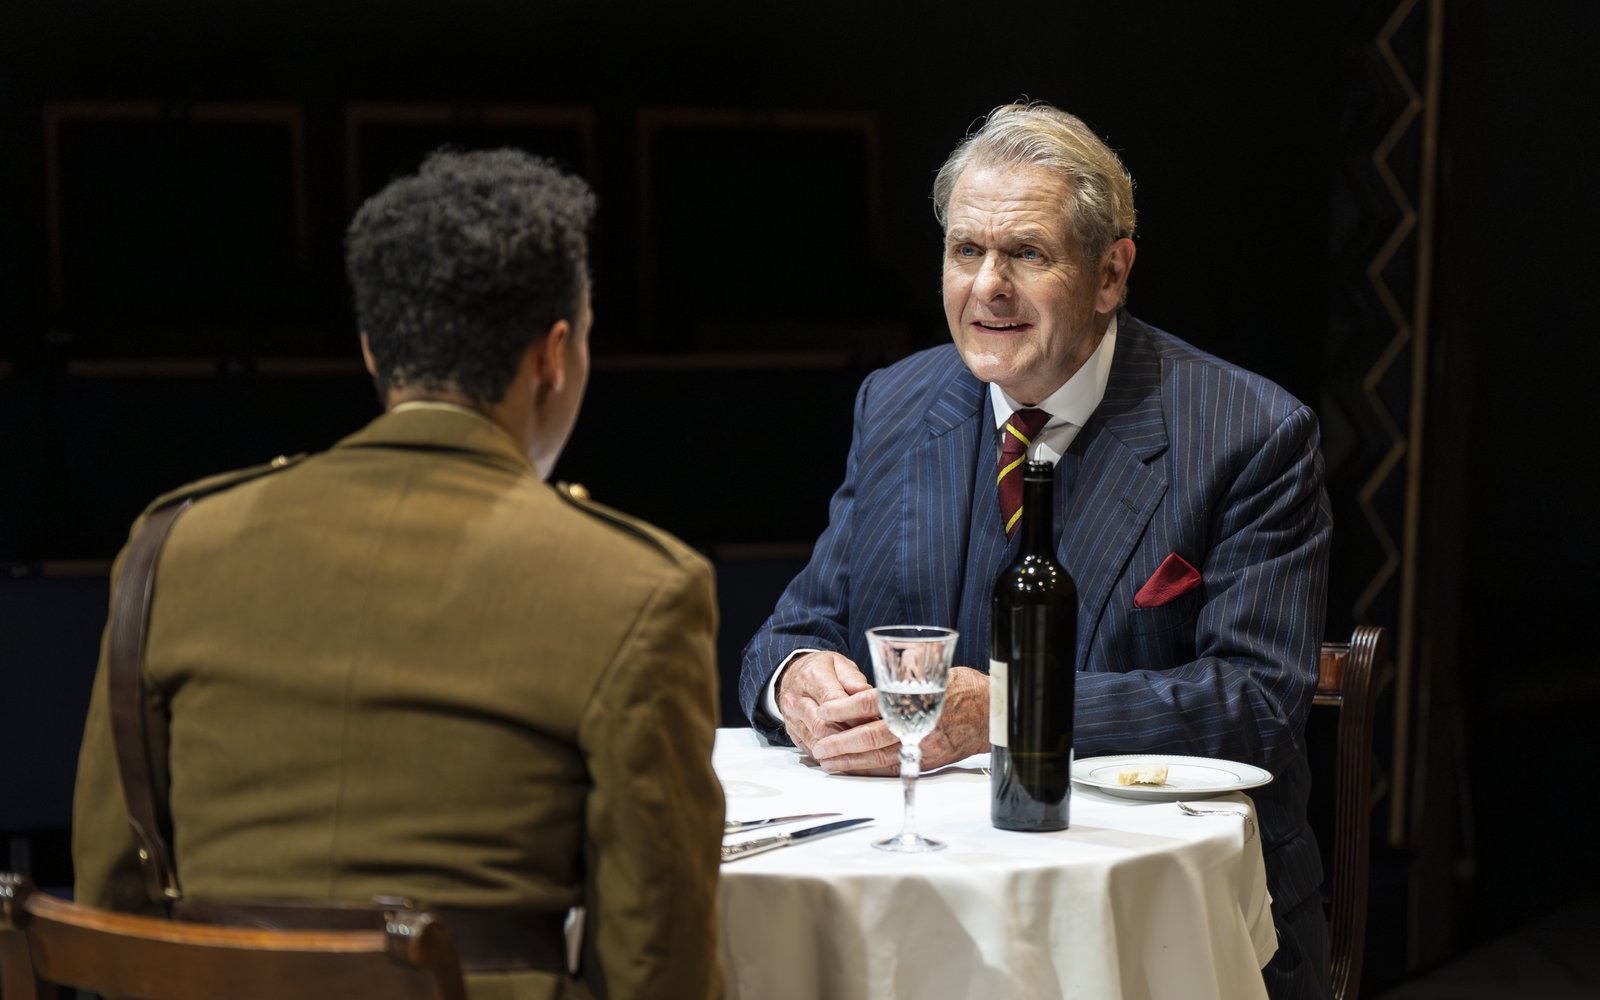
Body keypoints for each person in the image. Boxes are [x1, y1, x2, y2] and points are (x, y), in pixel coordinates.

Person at [73, 149, 725, 1000]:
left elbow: (110, 909)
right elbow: (658, 971)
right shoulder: (639, 586)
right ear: (555, 354)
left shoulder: (173, 546)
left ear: (373, 350)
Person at [738, 103, 1332, 1000]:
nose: (988, 287)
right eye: (966, 251)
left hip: (1153, 923)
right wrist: (797, 683)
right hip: (909, 906)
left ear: (1110, 273)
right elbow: (790, 633)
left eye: (1026, 253)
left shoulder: (1249, 433)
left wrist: (1006, 713)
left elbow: (1255, 704)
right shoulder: (895, 405)